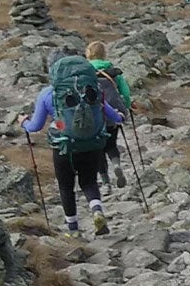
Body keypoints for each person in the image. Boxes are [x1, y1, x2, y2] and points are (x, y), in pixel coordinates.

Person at [20, 54, 125, 236]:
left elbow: (35, 126)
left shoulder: (48, 93)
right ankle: (97, 210)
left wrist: (23, 122)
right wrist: (120, 116)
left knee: (66, 186)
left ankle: (74, 230)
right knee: (89, 181)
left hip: (64, 146)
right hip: (92, 144)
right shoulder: (93, 89)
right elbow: (111, 114)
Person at [85, 40, 132, 188]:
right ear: (104, 54)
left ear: (88, 54)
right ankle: (116, 164)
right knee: (111, 144)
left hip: (94, 115)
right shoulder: (113, 71)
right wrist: (128, 106)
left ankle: (105, 181)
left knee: (98, 148)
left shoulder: (85, 72)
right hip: (113, 112)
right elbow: (125, 92)